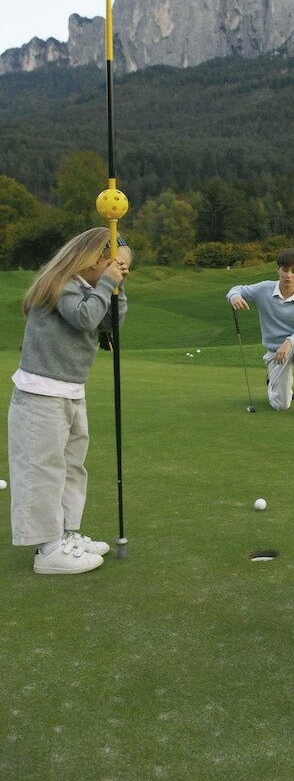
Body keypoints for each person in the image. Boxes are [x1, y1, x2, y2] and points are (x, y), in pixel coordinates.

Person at [7, 227, 131, 575]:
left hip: (71, 392)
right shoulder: (61, 283)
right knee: (43, 469)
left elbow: (109, 325)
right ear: (92, 258)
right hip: (40, 394)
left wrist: (116, 289)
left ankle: (64, 534)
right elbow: (84, 318)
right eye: (112, 262)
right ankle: (47, 550)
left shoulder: (92, 288)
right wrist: (107, 284)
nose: (115, 268)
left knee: (72, 467)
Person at [226, 248, 294, 416]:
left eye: (293, 271)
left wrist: (290, 341)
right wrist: (234, 297)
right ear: (278, 269)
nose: (288, 275)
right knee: (281, 405)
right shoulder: (264, 289)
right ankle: (272, 379)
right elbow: (237, 289)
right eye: (284, 270)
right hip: (276, 352)